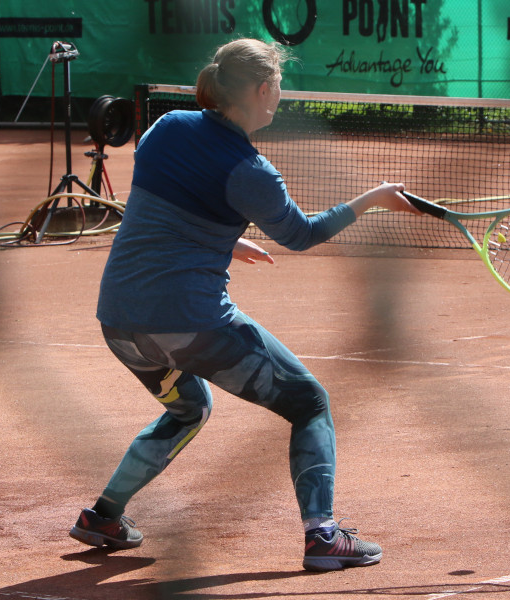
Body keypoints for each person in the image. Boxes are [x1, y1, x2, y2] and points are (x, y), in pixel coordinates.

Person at [69, 38, 421, 572]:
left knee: (189, 407)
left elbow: (165, 203)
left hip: (119, 322)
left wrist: (225, 239)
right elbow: (301, 234)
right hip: (191, 325)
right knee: (309, 403)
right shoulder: (251, 170)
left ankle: (103, 515)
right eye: (278, 84)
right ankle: (323, 536)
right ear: (261, 89)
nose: (280, 95)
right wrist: (372, 199)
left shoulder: (165, 127)